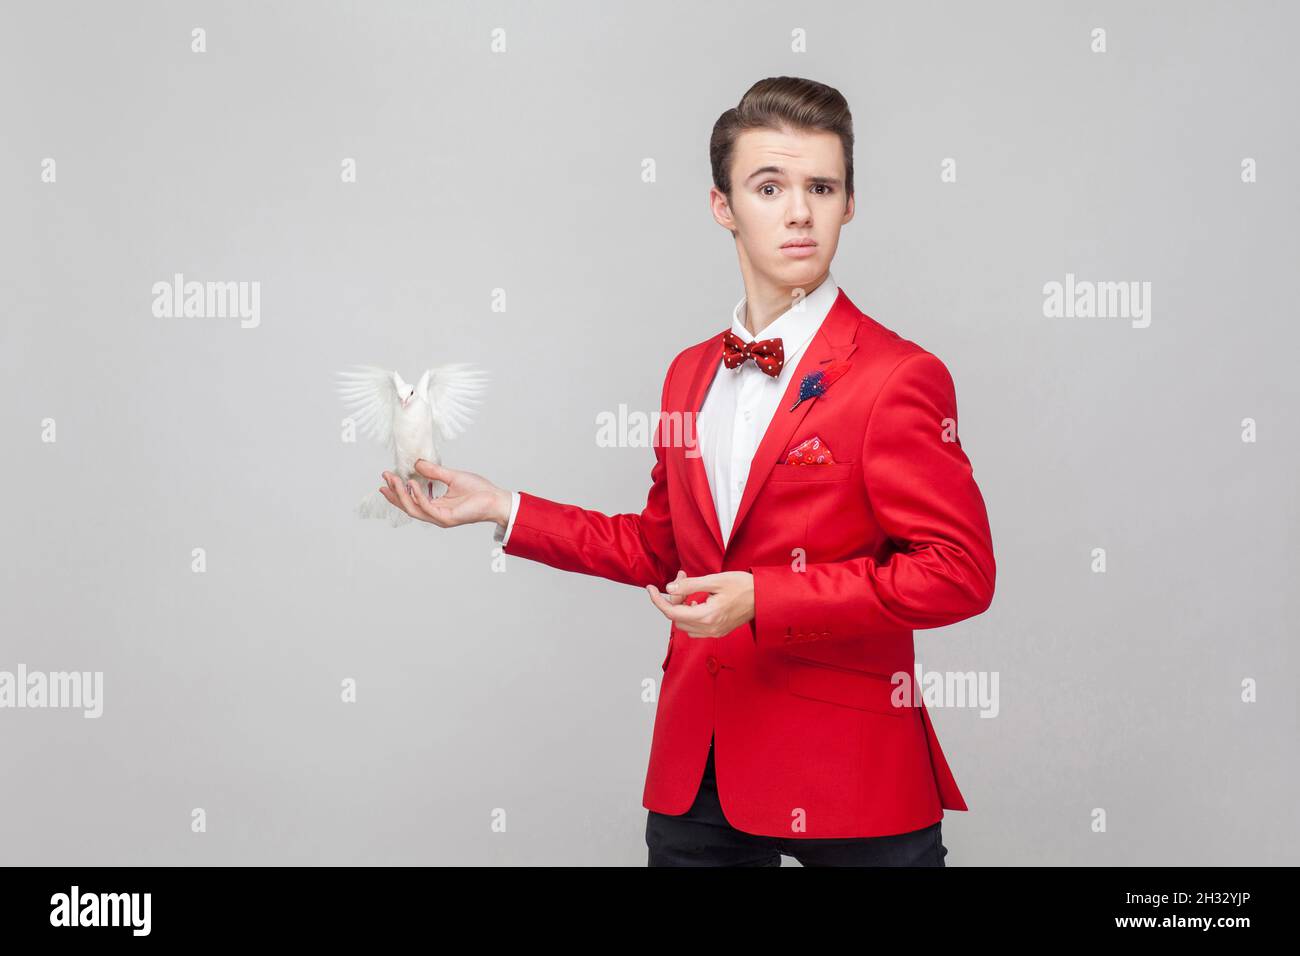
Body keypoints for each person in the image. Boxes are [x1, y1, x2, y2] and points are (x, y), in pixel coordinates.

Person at [378, 76, 995, 867]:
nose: (799, 211)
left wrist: (764, 598)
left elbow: (958, 574)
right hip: (698, 766)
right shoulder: (688, 374)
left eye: (822, 186)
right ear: (723, 206)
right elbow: (660, 550)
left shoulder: (897, 376)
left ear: (849, 203)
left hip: (851, 772)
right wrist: (506, 508)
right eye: (769, 187)